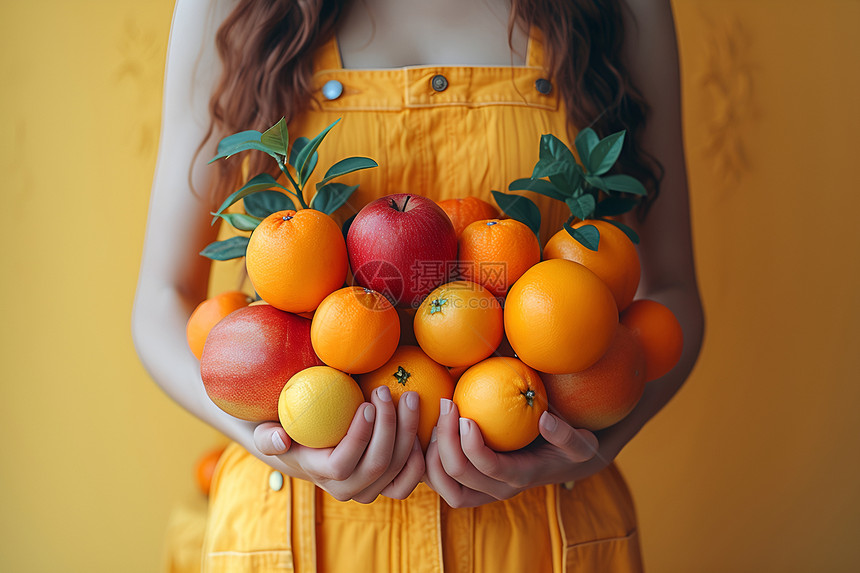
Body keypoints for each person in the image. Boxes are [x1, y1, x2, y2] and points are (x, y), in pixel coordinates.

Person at [132, 0, 705, 571]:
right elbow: (162, 302)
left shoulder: (623, 6)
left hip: (540, 529)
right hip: (299, 532)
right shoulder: (227, 6)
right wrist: (278, 447)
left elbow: (672, 294)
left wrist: (596, 446)